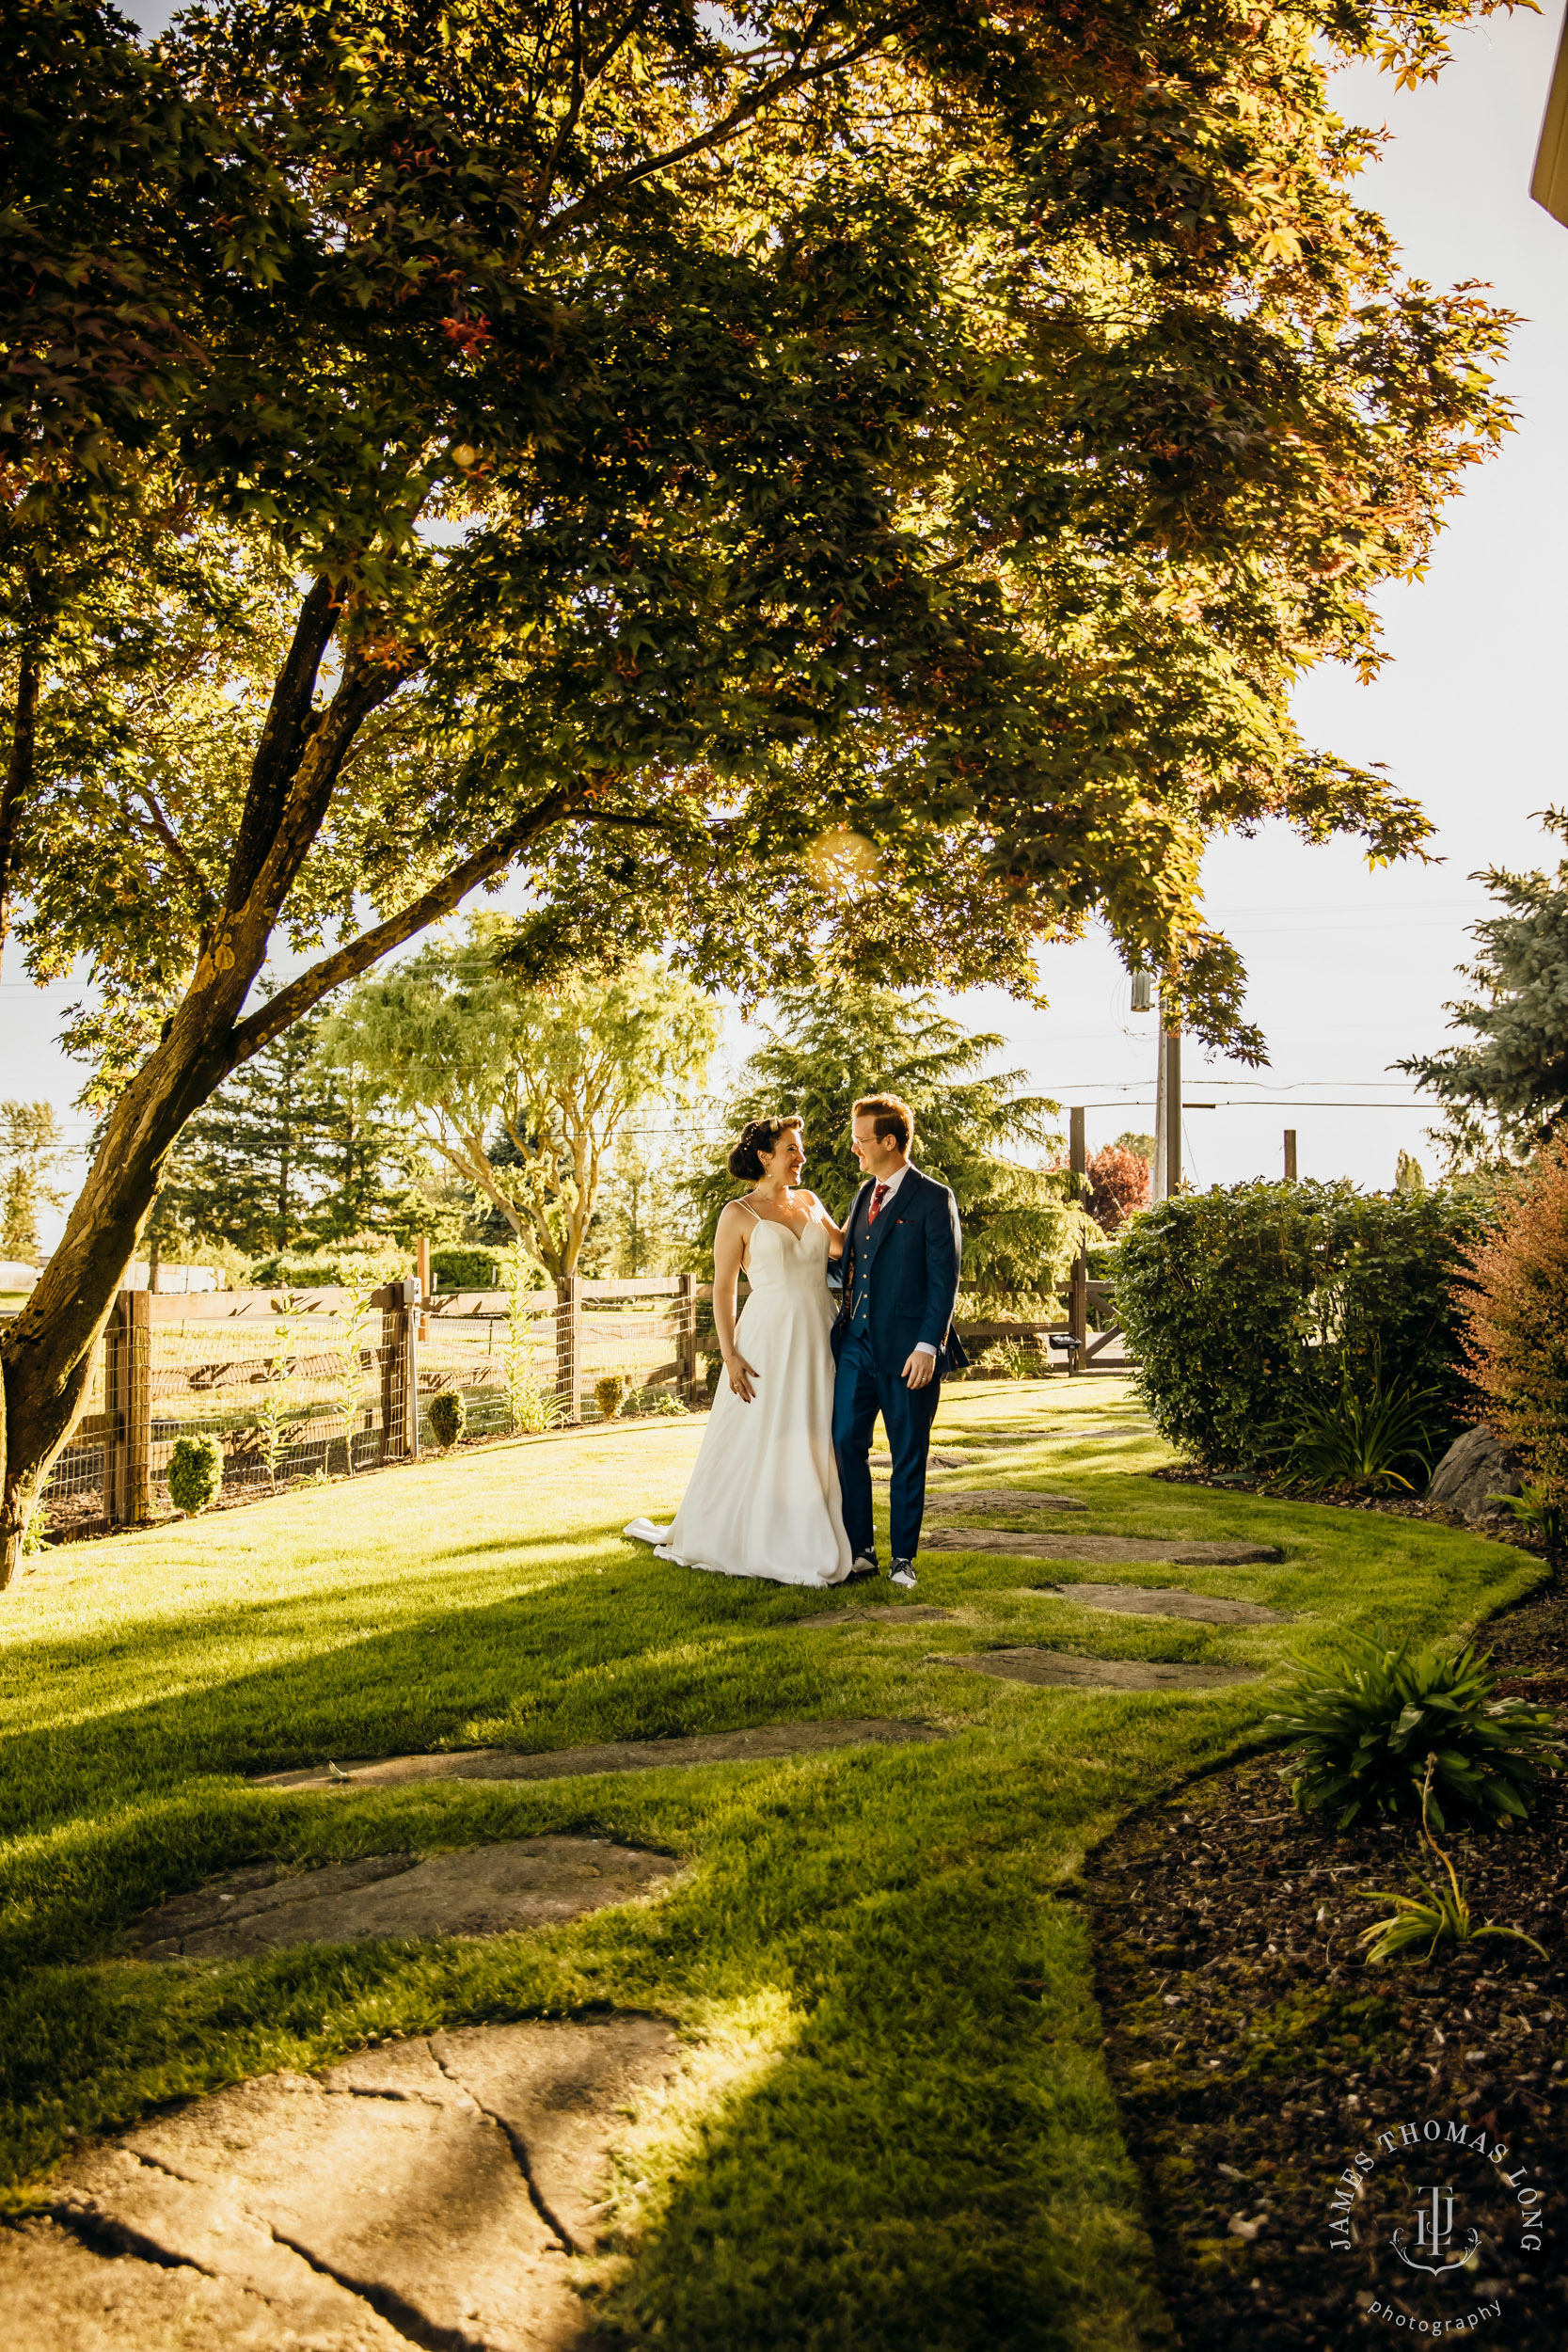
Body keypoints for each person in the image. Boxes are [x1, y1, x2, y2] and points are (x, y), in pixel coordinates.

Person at [623, 1115, 854, 1586]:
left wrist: (874, 1203)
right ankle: (758, 1531)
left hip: (819, 1331)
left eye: (800, 1149)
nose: (802, 1158)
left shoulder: (811, 1203)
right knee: (765, 1430)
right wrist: (728, 1354)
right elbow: (724, 1289)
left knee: (816, 1428)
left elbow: (845, 1248)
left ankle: (819, 1526)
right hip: (766, 1336)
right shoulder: (737, 1214)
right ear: (766, 1157)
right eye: (792, 1149)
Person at [831, 1093, 965, 1590]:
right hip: (856, 1346)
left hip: (910, 1352)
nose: (854, 1149)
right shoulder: (863, 1196)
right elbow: (848, 1264)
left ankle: (902, 1560)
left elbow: (944, 1278)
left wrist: (929, 1345)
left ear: (889, 1141)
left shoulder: (933, 1197)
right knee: (845, 1441)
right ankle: (860, 1549)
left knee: (908, 1453)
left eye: (860, 1140)